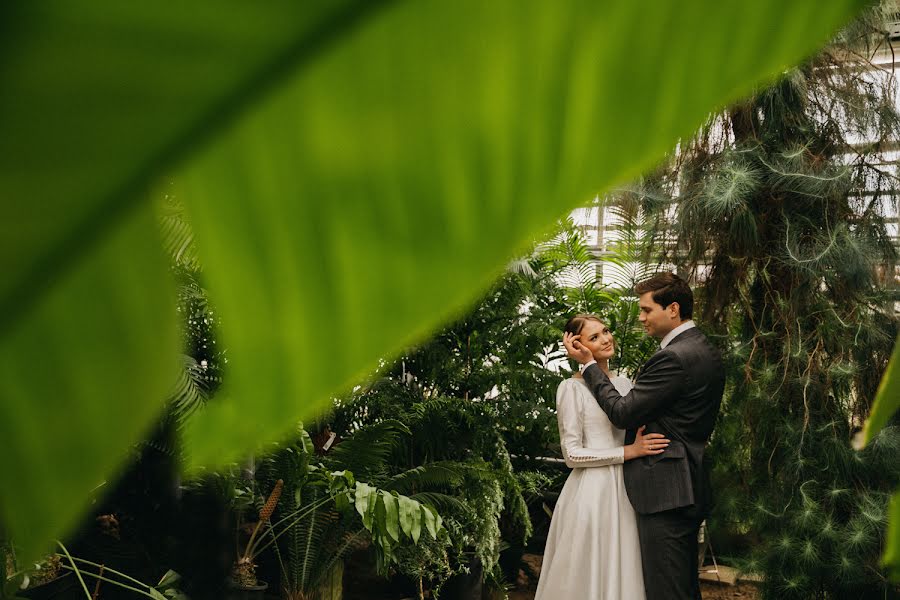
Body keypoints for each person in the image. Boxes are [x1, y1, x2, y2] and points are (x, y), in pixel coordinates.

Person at [563, 273, 725, 600]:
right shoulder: (703, 348)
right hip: (682, 482)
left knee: (668, 590)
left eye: (647, 310)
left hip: (667, 489)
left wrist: (591, 367)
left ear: (673, 309)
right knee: (679, 585)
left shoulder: (673, 357)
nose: (640, 318)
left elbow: (624, 413)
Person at [535, 314, 670, 600]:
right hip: (592, 493)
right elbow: (571, 454)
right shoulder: (571, 388)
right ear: (576, 346)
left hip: (628, 489)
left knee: (625, 567)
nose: (606, 339)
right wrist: (629, 451)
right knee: (588, 571)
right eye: (594, 337)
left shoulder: (625, 384)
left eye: (606, 331)